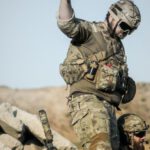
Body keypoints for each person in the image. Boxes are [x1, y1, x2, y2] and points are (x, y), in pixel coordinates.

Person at [57, 0, 141, 149]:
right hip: (88, 100)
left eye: (130, 30)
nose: (126, 32)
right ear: (113, 16)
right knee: (100, 146)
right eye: (124, 26)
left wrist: (126, 84)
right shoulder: (90, 31)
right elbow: (66, 24)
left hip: (109, 107)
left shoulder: (118, 48)